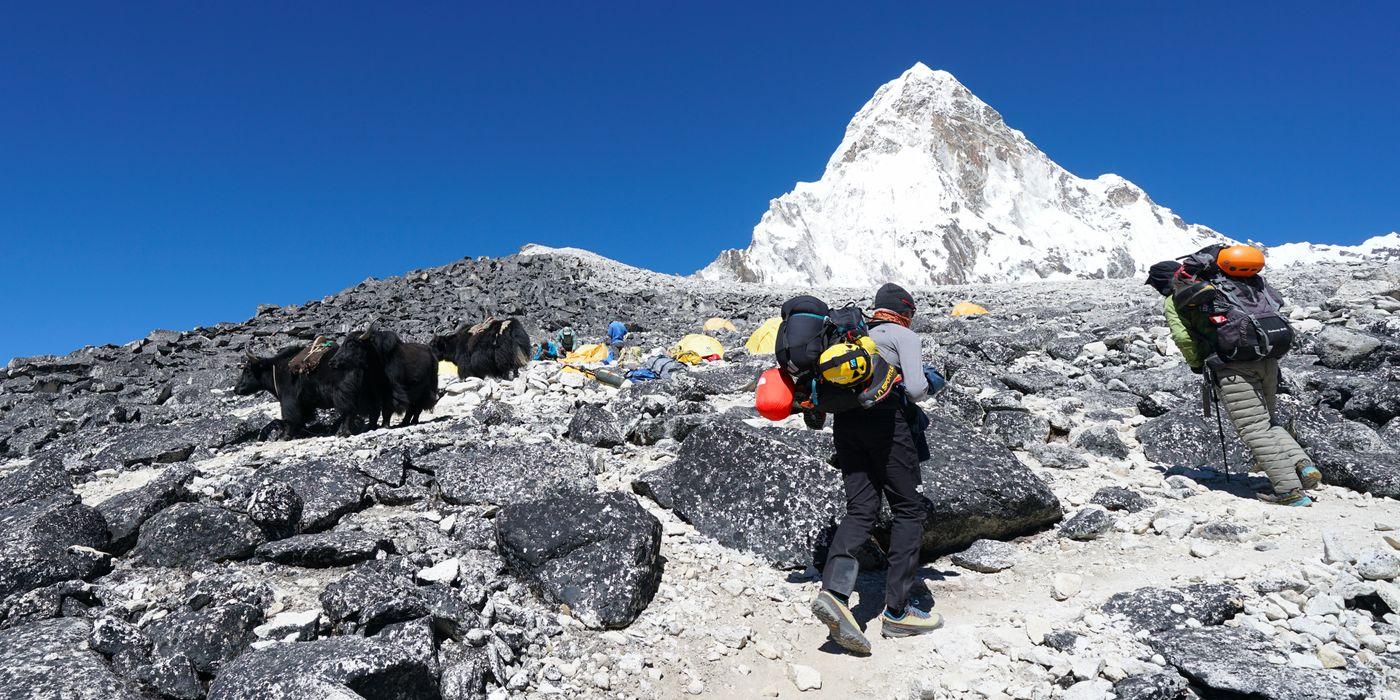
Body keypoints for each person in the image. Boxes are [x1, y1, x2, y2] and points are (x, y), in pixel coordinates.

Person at [811, 282, 941, 654]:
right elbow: (915, 390)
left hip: (847, 425)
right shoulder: (903, 335)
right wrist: (933, 381)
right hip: (886, 424)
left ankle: (835, 593)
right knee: (908, 510)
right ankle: (898, 612)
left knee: (861, 509)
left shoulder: (856, 338)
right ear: (905, 310)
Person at [1145, 248, 1320, 506]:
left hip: (1232, 365)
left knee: (1253, 428)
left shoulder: (1176, 298)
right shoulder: (1231, 283)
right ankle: (1303, 466)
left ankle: (1289, 491)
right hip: (1267, 357)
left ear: (1161, 283)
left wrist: (1196, 364)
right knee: (1268, 421)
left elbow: (1183, 338)